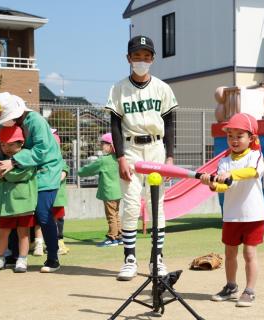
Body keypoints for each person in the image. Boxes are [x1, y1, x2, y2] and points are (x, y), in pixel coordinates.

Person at [106, 35, 178, 281]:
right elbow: (114, 125)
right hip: (131, 151)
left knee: (156, 204)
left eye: (146, 56)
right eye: (137, 56)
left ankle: (157, 258)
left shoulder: (162, 87)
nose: (141, 60)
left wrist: (169, 157)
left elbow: (169, 123)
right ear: (128, 58)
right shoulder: (118, 88)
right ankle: (129, 258)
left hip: (156, 148)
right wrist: (120, 158)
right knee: (131, 204)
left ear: (153, 59)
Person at [0, 92, 63, 273]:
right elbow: (6, 149)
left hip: (46, 172)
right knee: (17, 211)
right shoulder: (17, 124)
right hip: (25, 171)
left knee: (43, 214)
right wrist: (0, 162)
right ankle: (15, 255)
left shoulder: (35, 120)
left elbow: (42, 149)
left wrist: (12, 162)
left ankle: (53, 258)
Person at [199, 113, 264, 308]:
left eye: (239, 135)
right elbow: (223, 186)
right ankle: (230, 286)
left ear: (251, 138)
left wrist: (231, 174)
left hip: (253, 215)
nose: (234, 140)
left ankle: (250, 290)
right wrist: (211, 183)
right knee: (229, 253)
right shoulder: (224, 161)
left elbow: (252, 173)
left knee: (249, 253)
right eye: (230, 136)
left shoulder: (256, 155)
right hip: (231, 215)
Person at [0, 126, 37, 273]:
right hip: (6, 204)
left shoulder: (27, 155)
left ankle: (22, 259)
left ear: (21, 143)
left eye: (11, 144)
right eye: (3, 144)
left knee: (24, 232)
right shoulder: (0, 157)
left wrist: (2, 172)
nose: (6, 147)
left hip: (24, 203)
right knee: (2, 232)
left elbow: (23, 175)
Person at [77, 133, 123, 247]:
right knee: (116, 214)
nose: (102, 146)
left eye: (104, 144)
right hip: (118, 191)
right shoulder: (120, 159)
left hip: (108, 192)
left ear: (111, 145)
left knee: (111, 215)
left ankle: (112, 237)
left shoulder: (104, 160)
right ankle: (119, 236)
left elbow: (89, 169)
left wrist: (79, 171)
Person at [51, 129, 70, 255]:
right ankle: (41, 243)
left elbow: (62, 175)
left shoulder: (60, 161)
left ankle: (59, 242)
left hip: (57, 199)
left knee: (58, 220)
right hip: (47, 198)